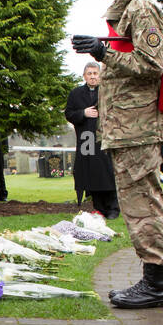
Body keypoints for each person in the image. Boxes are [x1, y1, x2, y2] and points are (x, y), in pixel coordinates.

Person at [71, 0, 163, 309]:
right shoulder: (127, 9)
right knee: (136, 203)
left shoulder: (142, 7)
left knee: (143, 202)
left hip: (138, 126)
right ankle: (152, 280)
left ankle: (156, 284)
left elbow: (153, 65)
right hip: (126, 127)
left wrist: (103, 53)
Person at [64, 62, 119, 219]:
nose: (93, 76)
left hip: (105, 138)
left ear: (100, 75)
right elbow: (69, 113)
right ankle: (99, 208)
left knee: (108, 172)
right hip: (86, 139)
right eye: (90, 73)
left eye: (95, 73)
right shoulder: (76, 94)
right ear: (84, 76)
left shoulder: (108, 92)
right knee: (91, 174)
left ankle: (113, 208)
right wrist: (83, 113)